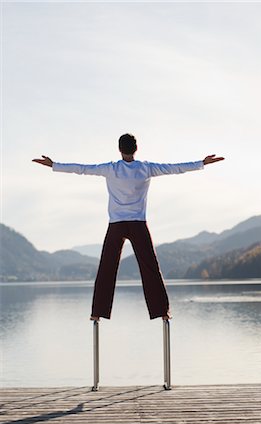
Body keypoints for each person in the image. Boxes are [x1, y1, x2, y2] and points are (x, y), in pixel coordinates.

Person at [33, 133, 224, 322]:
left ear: (119, 149)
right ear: (136, 149)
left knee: (107, 267)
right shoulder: (146, 168)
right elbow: (174, 168)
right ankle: (162, 311)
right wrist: (202, 163)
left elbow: (82, 169)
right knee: (150, 267)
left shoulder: (111, 169)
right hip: (138, 224)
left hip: (116, 224)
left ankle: (97, 312)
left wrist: (54, 165)